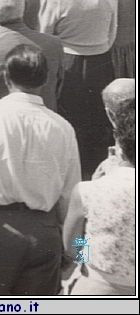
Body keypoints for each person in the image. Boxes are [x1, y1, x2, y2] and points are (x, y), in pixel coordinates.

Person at [0, 45, 80, 296]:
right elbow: (72, 201)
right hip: (44, 236)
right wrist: (78, 257)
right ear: (45, 79)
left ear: (6, 77)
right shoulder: (63, 128)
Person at [40, 0, 119, 172]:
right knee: (99, 121)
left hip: (68, 64)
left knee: (71, 122)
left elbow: (46, 37)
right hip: (102, 61)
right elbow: (112, 29)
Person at [60, 100, 135, 295]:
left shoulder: (88, 190)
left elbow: (72, 247)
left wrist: (87, 255)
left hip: (98, 289)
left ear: (119, 143)